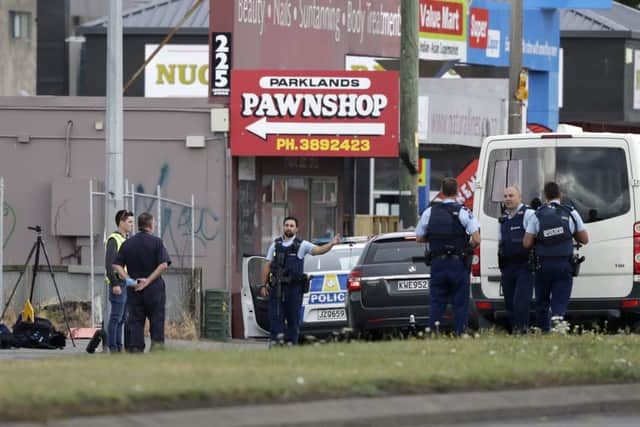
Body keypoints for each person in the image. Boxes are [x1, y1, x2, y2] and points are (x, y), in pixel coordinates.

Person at [260, 216, 340, 345]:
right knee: (275, 318)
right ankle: (276, 345)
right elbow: (267, 264)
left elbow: (318, 250)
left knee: (293, 319)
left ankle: (292, 345)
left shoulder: (302, 245)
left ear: (296, 229)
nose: (289, 228)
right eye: (286, 225)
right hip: (277, 288)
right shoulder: (275, 245)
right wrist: (263, 286)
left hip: (293, 289)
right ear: (283, 227)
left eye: (292, 226)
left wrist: (331, 244)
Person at [416, 178, 480, 335]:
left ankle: (433, 332)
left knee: (437, 300)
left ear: (442, 191)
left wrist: (435, 239)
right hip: (458, 263)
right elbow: (477, 238)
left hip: (438, 263)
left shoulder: (430, 212)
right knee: (460, 301)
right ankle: (460, 332)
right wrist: (468, 247)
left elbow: (419, 237)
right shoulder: (463, 211)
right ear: (457, 191)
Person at [523, 182, 589, 332]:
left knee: (542, 300)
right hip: (563, 263)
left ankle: (543, 329)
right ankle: (558, 322)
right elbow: (584, 239)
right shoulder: (570, 212)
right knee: (560, 297)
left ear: (545, 196)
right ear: (560, 195)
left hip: (543, 265)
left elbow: (527, 243)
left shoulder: (537, 214)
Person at [113, 212, 171, 352]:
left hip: (134, 288)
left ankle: (136, 348)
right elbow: (163, 264)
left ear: (139, 225)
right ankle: (157, 348)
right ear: (150, 225)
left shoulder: (128, 243)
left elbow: (116, 265)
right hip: (154, 289)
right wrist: (149, 280)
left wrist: (129, 279)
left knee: (136, 320)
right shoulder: (157, 242)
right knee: (156, 319)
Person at [498, 187, 535, 333]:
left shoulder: (528, 214)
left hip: (524, 265)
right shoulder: (503, 218)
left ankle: (523, 329)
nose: (507, 198)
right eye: (505, 196)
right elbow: (501, 242)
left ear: (519, 197)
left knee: (520, 300)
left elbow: (534, 236)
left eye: (511, 195)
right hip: (508, 265)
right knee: (509, 302)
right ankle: (515, 331)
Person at [104, 209, 134, 352]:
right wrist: (115, 284)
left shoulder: (125, 239)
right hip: (118, 284)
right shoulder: (113, 239)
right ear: (121, 222)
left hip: (126, 284)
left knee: (122, 319)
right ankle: (113, 348)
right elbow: (110, 264)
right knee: (115, 317)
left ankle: (119, 346)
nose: (132, 225)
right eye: (129, 222)